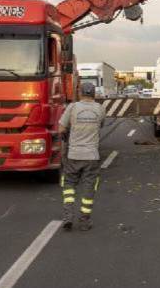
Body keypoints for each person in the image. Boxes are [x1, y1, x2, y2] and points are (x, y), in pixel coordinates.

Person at [58, 82, 106, 231]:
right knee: (89, 187)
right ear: (94, 94)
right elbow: (101, 125)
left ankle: (68, 217)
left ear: (80, 94)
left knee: (69, 186)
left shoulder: (72, 108)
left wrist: (68, 135)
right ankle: (84, 221)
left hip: (73, 155)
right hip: (92, 156)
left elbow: (61, 128)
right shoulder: (100, 109)